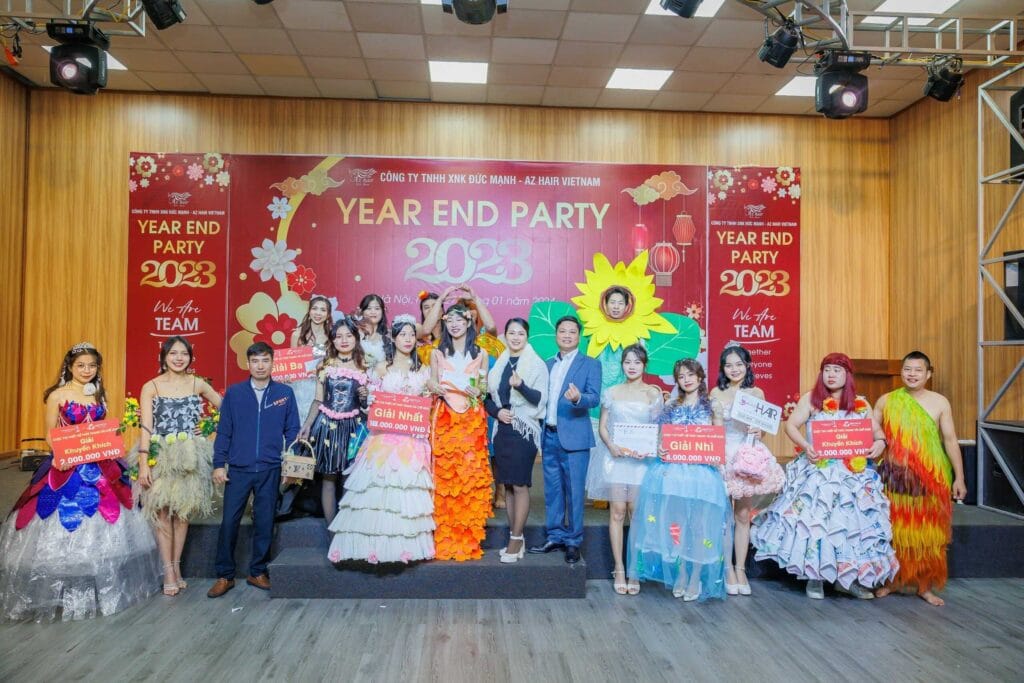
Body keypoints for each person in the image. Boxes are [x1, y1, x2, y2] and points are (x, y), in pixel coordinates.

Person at [1, 343, 160, 621]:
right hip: (68, 464)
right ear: (69, 367)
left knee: (107, 515)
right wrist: (61, 454)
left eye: (92, 366)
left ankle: (96, 586)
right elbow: (50, 433)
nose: (87, 370)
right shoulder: (57, 395)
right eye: (81, 366)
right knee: (63, 517)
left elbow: (103, 429)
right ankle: (64, 591)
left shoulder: (98, 394)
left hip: (99, 464)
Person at [751, 353, 898, 600]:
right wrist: (806, 446)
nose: (831, 374)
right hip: (818, 472)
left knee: (851, 526)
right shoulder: (812, 399)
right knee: (816, 523)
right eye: (827, 369)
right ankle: (815, 578)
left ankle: (848, 580)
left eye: (837, 370)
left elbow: (877, 432)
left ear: (847, 375)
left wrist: (880, 443)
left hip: (852, 474)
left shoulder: (860, 403)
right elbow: (790, 425)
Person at [327, 315, 435, 564]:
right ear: (393, 338)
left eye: (411, 335)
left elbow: (427, 404)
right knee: (377, 493)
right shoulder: (380, 369)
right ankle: (371, 547)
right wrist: (370, 400)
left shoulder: (423, 370)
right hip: (384, 438)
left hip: (412, 440)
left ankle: (405, 547)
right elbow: (369, 406)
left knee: (406, 492)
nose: (407, 339)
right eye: (402, 334)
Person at [629, 359, 730, 601]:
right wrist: (661, 448)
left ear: (700, 377)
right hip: (674, 473)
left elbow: (719, 438)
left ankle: (695, 577)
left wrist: (716, 456)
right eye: (681, 376)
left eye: (690, 375)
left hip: (702, 474)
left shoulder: (712, 405)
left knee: (698, 525)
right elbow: (662, 437)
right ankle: (682, 573)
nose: (686, 380)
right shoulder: (671, 405)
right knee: (678, 524)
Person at [874, 351, 966, 606]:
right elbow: (870, 430)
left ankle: (924, 587)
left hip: (931, 478)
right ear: (901, 371)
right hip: (895, 476)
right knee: (895, 532)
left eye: (918, 370)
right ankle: (893, 581)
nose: (912, 374)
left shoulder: (940, 402)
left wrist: (959, 478)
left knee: (928, 535)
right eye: (907, 369)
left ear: (928, 374)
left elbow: (950, 440)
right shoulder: (886, 401)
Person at [207, 342, 299, 598]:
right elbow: (224, 431)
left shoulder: (284, 393)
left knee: (265, 521)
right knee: (229, 522)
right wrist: (219, 464)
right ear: (248, 364)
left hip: (271, 468)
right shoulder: (235, 394)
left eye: (265, 360)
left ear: (272, 363)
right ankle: (225, 575)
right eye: (255, 361)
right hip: (238, 469)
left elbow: (292, 430)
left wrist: (291, 463)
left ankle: (257, 571)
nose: (260, 366)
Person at [136, 336, 221, 597]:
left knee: (183, 513)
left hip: (190, 455)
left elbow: (227, 408)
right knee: (162, 512)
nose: (178, 358)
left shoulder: (197, 383)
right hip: (160, 455)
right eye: (173, 353)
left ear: (190, 357)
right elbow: (146, 426)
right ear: (164, 357)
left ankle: (176, 566)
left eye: (183, 353)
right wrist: (143, 462)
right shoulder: (151, 386)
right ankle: (168, 571)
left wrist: (209, 426)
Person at [708, 343, 784, 596]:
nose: (734, 369)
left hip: (748, 455)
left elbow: (763, 429)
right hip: (724, 454)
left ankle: (741, 569)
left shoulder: (756, 392)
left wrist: (759, 431)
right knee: (724, 517)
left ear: (747, 366)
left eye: (739, 364)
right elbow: (715, 428)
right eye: (729, 365)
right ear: (722, 368)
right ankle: (727, 568)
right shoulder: (716, 393)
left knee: (742, 515)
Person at [585, 344, 662, 593]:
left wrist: (650, 448)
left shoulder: (653, 394)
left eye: (637, 362)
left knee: (635, 513)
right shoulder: (612, 392)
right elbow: (603, 427)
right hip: (617, 459)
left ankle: (635, 569)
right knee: (617, 511)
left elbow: (659, 428)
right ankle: (619, 568)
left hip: (642, 463)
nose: (632, 366)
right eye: (627, 362)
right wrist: (611, 445)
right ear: (622, 365)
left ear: (644, 365)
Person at [529, 315, 602, 564]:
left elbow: (594, 398)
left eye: (572, 332)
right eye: (563, 331)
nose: (567, 335)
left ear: (579, 337)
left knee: (574, 493)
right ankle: (555, 536)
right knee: (552, 491)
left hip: (575, 438)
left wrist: (578, 398)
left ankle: (573, 541)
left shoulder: (590, 364)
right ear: (556, 335)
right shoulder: (547, 364)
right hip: (549, 435)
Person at [426, 303, 492, 561]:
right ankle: (444, 537)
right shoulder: (436, 353)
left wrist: (480, 390)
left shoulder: (481, 353)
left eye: (459, 320)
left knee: (469, 475)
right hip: (445, 417)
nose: (454, 325)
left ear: (468, 322)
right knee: (445, 476)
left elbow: (484, 386)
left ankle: (468, 537)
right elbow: (432, 382)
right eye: (450, 321)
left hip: (471, 421)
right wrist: (433, 386)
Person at [484, 318, 548, 563]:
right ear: (505, 336)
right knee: (508, 485)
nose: (516, 337)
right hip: (502, 429)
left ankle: (516, 539)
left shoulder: (536, 364)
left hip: (524, 429)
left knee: (520, 484)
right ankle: (515, 536)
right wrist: (497, 412)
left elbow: (540, 399)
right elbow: (486, 398)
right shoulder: (499, 363)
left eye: (520, 333)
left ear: (526, 336)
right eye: (511, 333)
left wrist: (520, 385)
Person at [299, 317, 370, 520]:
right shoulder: (325, 365)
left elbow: (369, 406)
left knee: (349, 479)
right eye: (338, 336)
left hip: (354, 428)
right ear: (332, 340)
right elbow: (318, 400)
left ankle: (345, 529)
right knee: (328, 480)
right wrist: (307, 425)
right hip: (327, 427)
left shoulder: (366, 366)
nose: (344, 340)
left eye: (348, 336)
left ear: (356, 338)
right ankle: (331, 531)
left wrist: (365, 397)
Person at [289, 294, 333, 419]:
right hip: (299, 384)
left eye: (323, 310)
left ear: (328, 315)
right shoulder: (297, 334)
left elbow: (332, 362)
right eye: (314, 308)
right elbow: (292, 362)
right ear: (309, 311)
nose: (318, 313)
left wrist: (322, 368)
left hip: (319, 384)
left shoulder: (331, 336)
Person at [357, 293, 391, 368]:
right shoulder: (354, 334)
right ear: (361, 311)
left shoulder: (388, 336)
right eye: (369, 308)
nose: (373, 312)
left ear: (382, 311)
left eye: (377, 308)